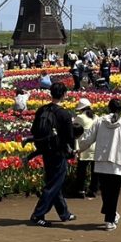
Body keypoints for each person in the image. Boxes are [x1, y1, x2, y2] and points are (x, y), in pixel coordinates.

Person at [76, 97, 121, 230]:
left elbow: (88, 138)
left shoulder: (100, 121)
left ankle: (111, 214)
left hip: (101, 161)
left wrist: (79, 149)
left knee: (106, 192)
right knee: (113, 192)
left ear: (108, 108)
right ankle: (109, 220)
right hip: (116, 161)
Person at [28, 82, 77, 227]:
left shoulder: (42, 110)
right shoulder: (64, 113)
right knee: (54, 184)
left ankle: (64, 213)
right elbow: (70, 136)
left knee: (54, 182)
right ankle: (38, 215)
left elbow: (33, 130)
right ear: (64, 95)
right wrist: (72, 151)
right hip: (58, 151)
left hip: (45, 150)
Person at [71, 98, 99, 198]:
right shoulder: (96, 117)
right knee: (94, 170)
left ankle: (80, 190)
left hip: (84, 146)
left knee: (82, 170)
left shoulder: (80, 117)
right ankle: (93, 190)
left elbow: (73, 129)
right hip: (95, 146)